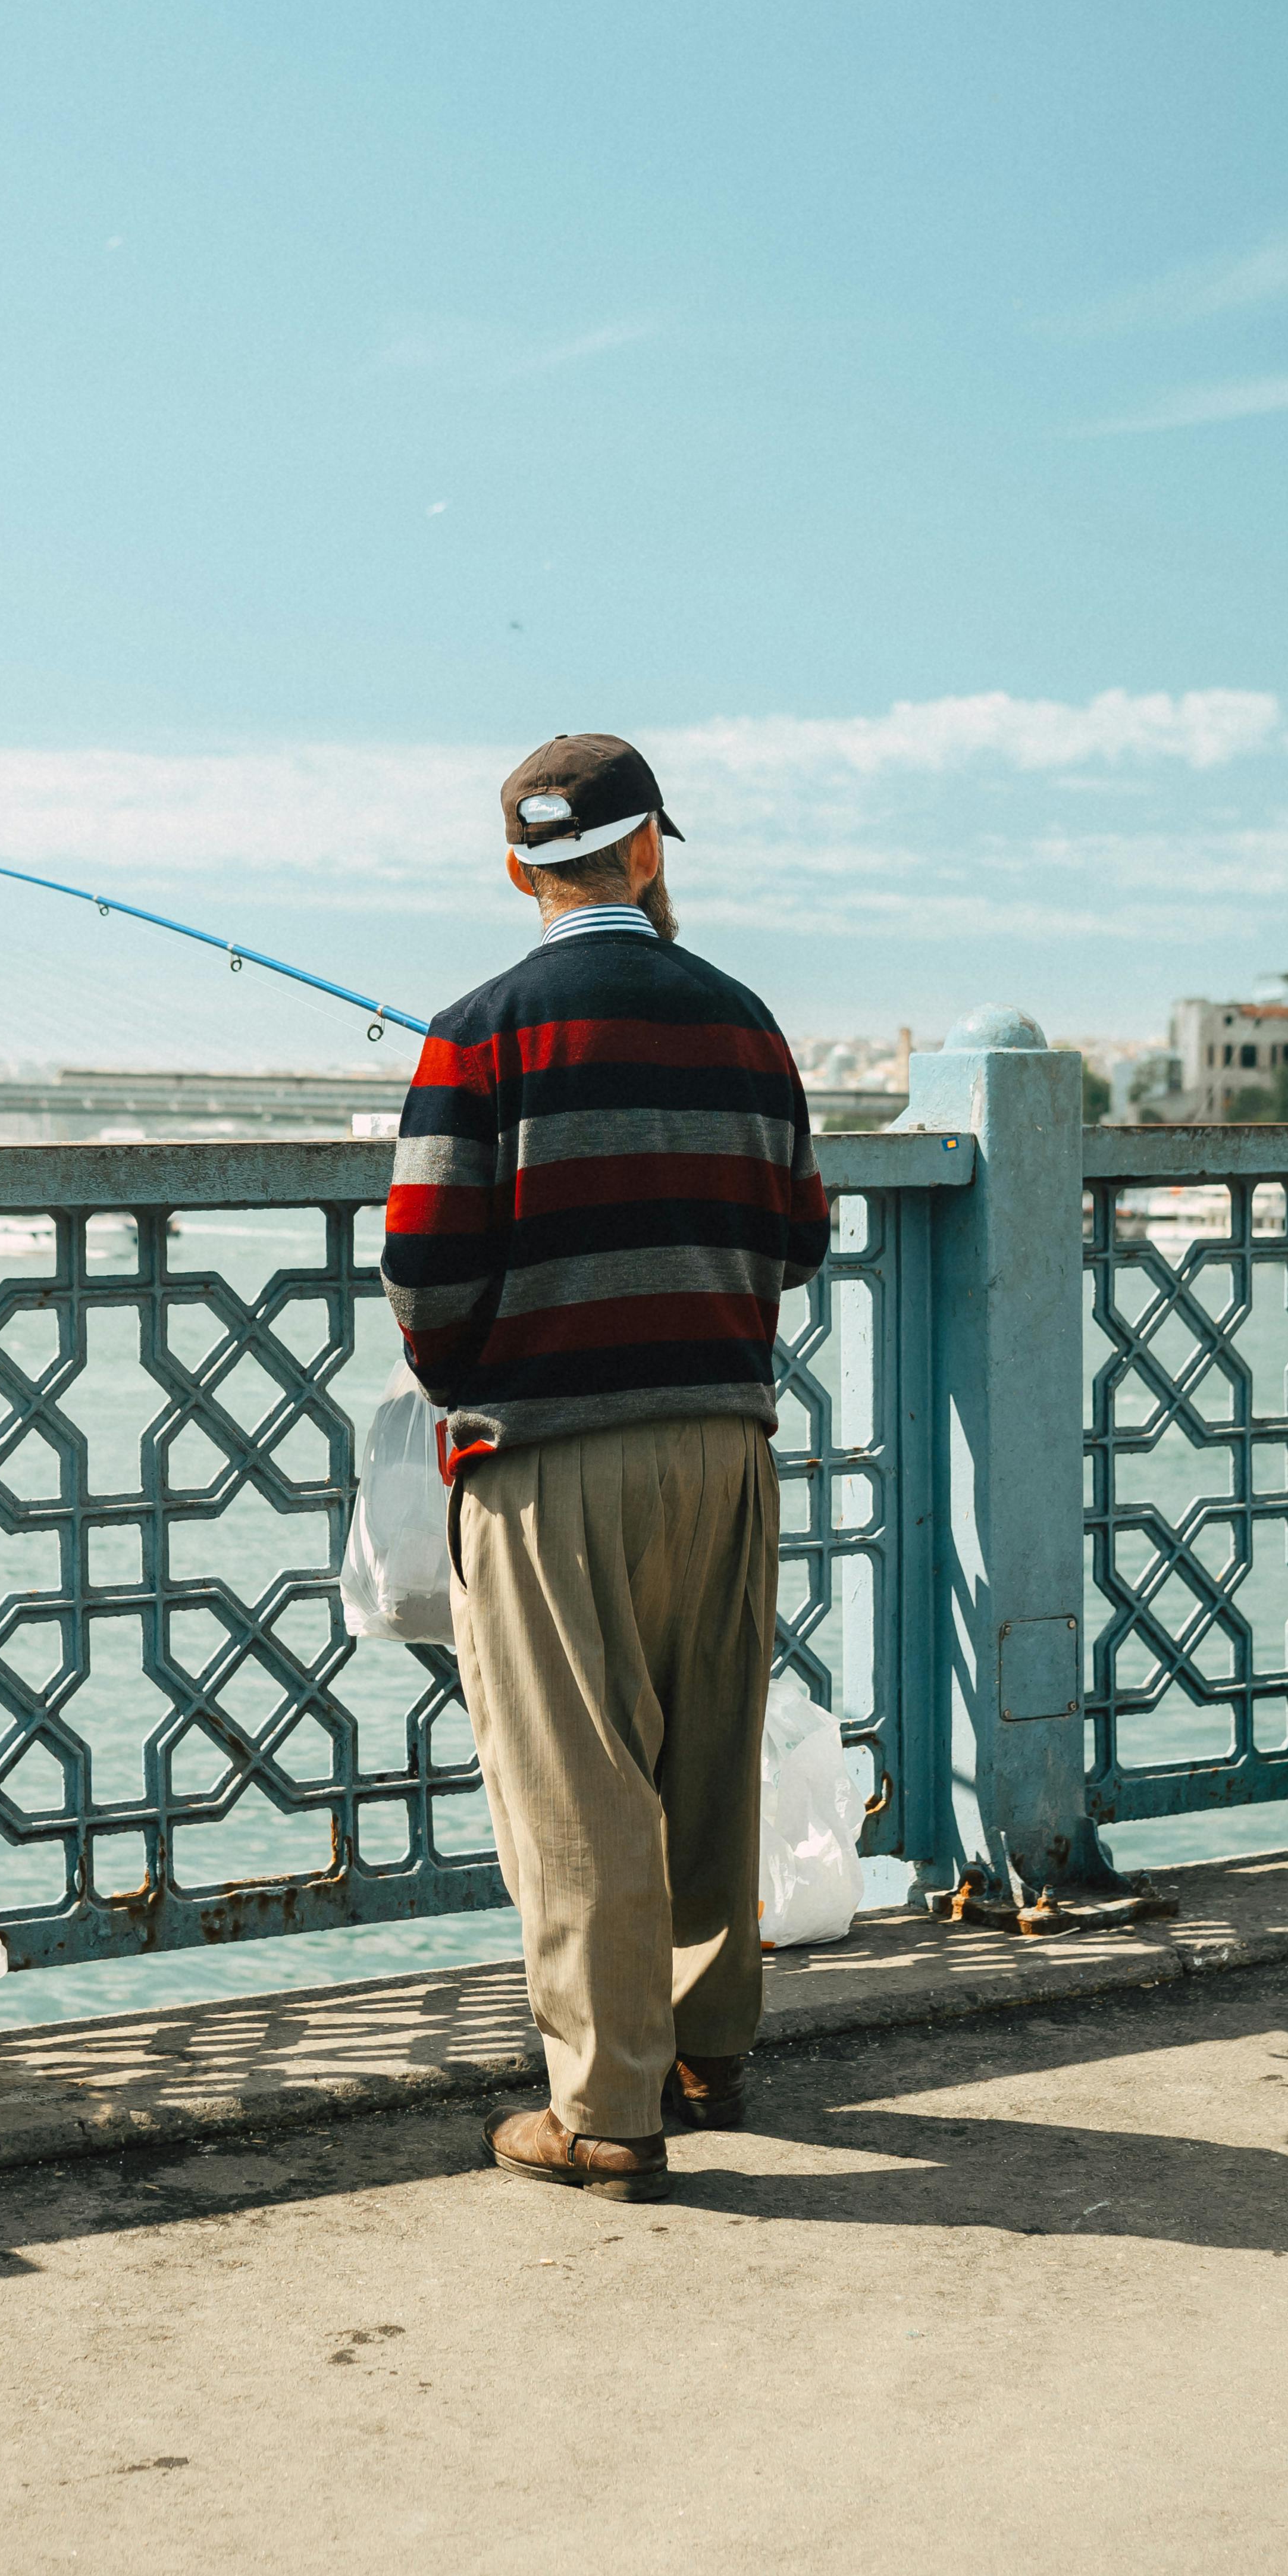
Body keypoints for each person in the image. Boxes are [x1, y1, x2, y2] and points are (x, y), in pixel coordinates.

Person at [380, 734, 829, 2198]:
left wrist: (476, 1395)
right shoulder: (749, 1025)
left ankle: (605, 2115)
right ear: (650, 853)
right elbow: (799, 1239)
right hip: (722, 1445)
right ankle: (708, 2051)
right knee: (707, 1765)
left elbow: (424, 1272)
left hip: (546, 1458)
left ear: (520, 869)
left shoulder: (475, 1034)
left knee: (574, 1790)